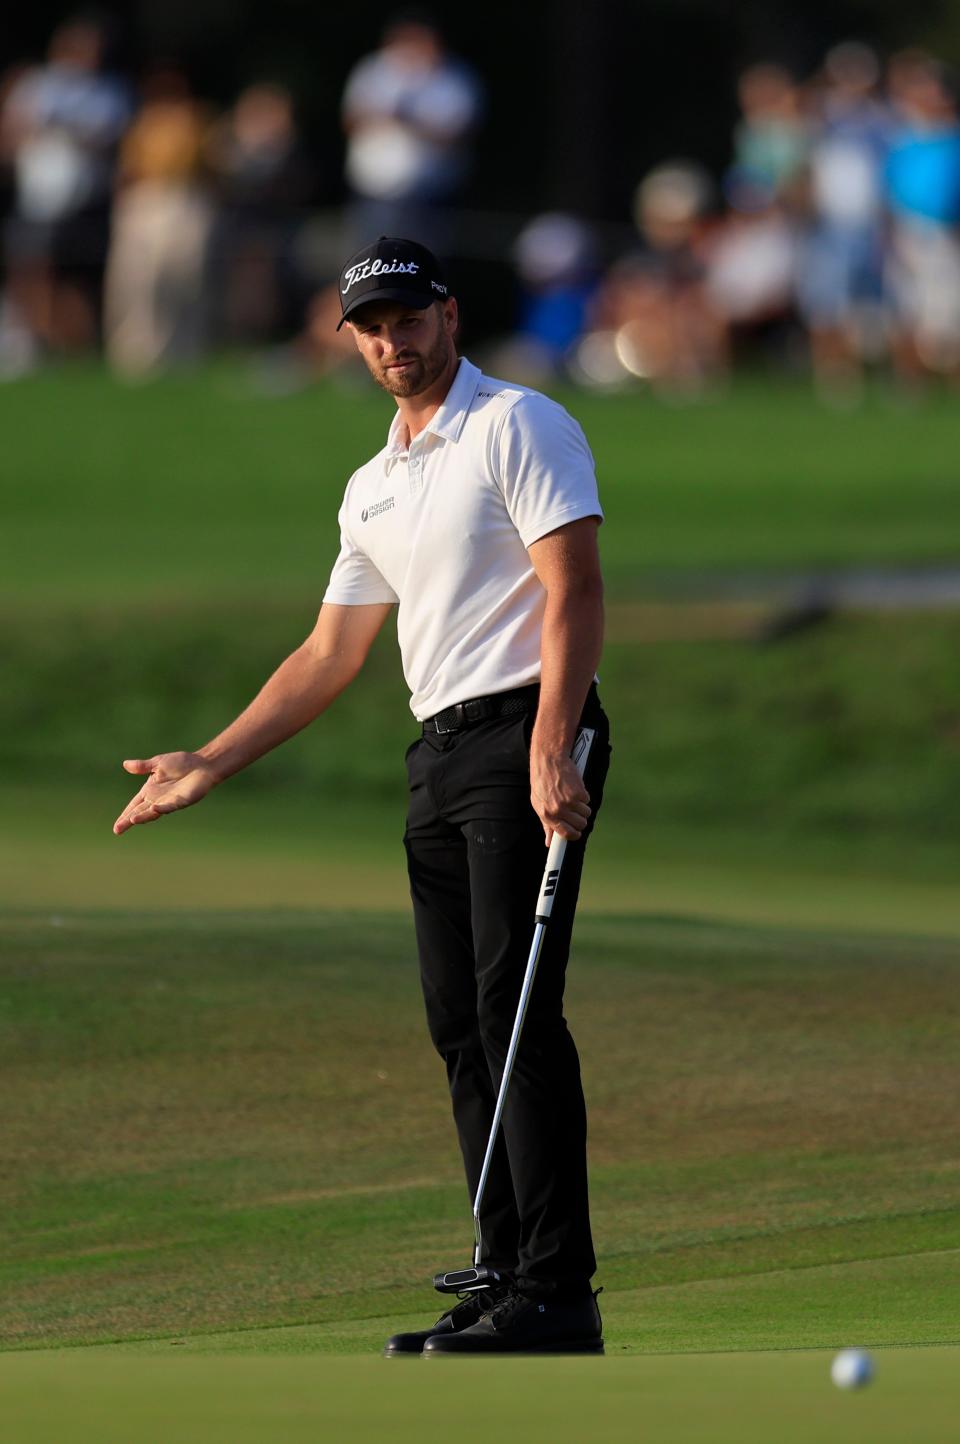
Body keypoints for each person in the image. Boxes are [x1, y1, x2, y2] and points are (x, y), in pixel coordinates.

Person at [113, 236, 611, 1356]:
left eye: (406, 317)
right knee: (457, 1021)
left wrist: (551, 744)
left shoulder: (516, 423)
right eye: (369, 327)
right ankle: (503, 1266)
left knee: (513, 1008)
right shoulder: (374, 483)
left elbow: (571, 585)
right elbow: (331, 650)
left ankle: (556, 1288)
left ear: (448, 311)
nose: (391, 341)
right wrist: (212, 757)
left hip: (525, 728)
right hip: (436, 749)